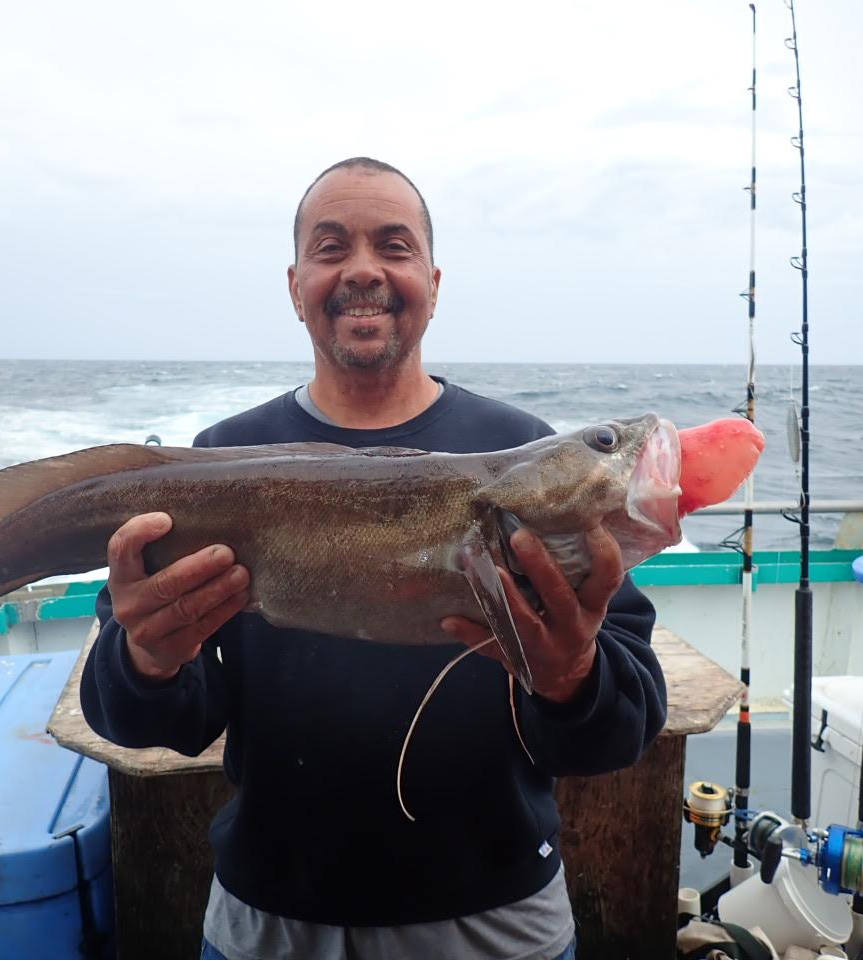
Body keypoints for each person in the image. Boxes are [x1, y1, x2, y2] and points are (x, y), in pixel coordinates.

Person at [81, 157, 667, 960]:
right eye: (331, 248)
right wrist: (145, 658)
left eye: (393, 246)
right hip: (268, 927)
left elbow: (619, 732)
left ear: (432, 278)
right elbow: (149, 721)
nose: (363, 269)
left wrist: (572, 679)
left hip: (499, 927)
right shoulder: (219, 463)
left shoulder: (532, 463)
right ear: (295, 286)